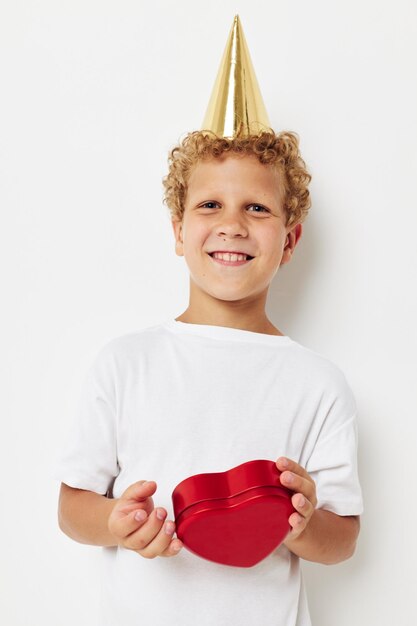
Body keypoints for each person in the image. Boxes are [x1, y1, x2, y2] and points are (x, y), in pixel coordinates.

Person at [53, 15, 362, 626]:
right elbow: (71, 506)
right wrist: (114, 522)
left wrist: (302, 521)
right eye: (210, 205)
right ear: (178, 230)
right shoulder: (126, 362)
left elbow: (343, 537)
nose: (233, 225)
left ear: (290, 240)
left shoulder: (317, 382)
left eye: (257, 207)